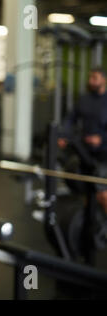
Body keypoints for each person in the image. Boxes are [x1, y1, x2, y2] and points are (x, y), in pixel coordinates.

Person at [58, 67, 107, 214]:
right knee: (87, 189)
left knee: (103, 193)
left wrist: (102, 138)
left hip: (104, 152)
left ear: (104, 80)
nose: (91, 81)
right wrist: (63, 135)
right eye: (90, 78)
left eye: (95, 78)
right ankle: (90, 227)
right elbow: (71, 118)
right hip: (86, 152)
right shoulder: (85, 99)